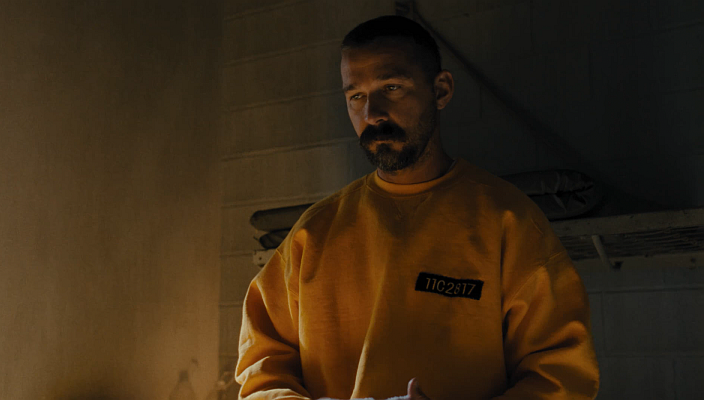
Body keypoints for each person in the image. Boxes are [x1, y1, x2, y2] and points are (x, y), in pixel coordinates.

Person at [236, 15, 599, 400]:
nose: (372, 113)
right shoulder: (312, 235)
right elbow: (262, 372)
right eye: (356, 96)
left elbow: (561, 377)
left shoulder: (509, 222)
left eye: (391, 88)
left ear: (441, 90)